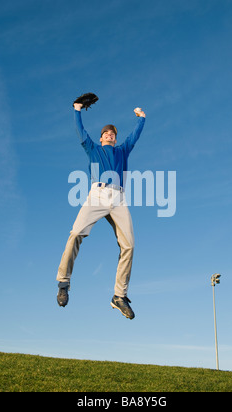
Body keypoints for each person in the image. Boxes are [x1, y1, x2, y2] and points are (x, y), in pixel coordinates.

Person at [56, 102, 146, 319]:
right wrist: (77, 110)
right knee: (76, 233)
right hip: (97, 195)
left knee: (129, 245)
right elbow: (81, 132)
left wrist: (141, 118)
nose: (109, 135)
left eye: (113, 133)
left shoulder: (123, 150)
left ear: (115, 138)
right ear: (101, 138)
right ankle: (63, 282)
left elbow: (134, 136)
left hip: (118, 198)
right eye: (106, 133)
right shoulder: (93, 149)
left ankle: (119, 296)